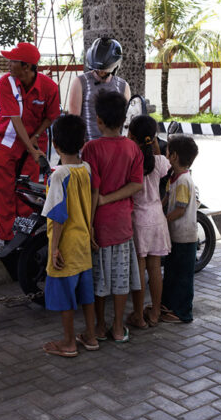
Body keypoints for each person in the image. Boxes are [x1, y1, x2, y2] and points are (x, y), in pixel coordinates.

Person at [81, 91, 143, 343]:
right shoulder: (132, 148)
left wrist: (91, 223)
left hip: (98, 225)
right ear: (123, 120)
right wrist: (112, 198)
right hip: (122, 226)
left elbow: (93, 190)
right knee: (119, 279)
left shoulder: (90, 149)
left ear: (99, 120)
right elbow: (136, 184)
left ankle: (99, 326)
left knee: (99, 280)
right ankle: (118, 327)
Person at [0, 42, 61, 243]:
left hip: (34, 144)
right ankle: (7, 238)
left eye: (13, 61)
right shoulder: (7, 82)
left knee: (26, 193)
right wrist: (31, 148)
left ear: (27, 67)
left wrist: (35, 137)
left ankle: (23, 238)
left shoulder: (49, 87)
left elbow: (51, 116)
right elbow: (15, 118)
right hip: (6, 143)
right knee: (4, 192)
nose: (9, 64)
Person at [41, 114, 98, 357]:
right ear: (83, 142)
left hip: (65, 245)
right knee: (86, 295)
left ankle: (68, 342)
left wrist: (54, 249)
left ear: (55, 145)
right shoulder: (85, 169)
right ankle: (91, 337)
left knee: (65, 296)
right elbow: (92, 199)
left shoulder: (59, 175)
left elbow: (57, 215)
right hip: (83, 242)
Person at [126, 115, 171, 328]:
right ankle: (154, 312)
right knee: (155, 269)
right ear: (152, 138)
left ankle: (138, 316)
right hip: (157, 218)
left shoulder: (130, 160)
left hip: (138, 220)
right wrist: (154, 145)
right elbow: (162, 165)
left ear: (130, 135)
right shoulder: (159, 161)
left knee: (139, 269)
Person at [160, 135, 200, 324]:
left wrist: (163, 219)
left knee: (183, 277)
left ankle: (183, 312)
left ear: (174, 156)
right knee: (171, 273)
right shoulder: (173, 176)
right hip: (175, 236)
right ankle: (167, 306)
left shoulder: (184, 180)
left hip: (185, 237)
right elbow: (167, 197)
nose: (165, 153)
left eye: (167, 150)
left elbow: (180, 208)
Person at [66, 37, 132, 141]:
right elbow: (74, 121)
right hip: (88, 146)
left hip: (115, 148)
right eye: (97, 70)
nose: (101, 72)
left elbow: (126, 121)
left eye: (105, 70)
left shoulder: (123, 86)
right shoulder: (80, 82)